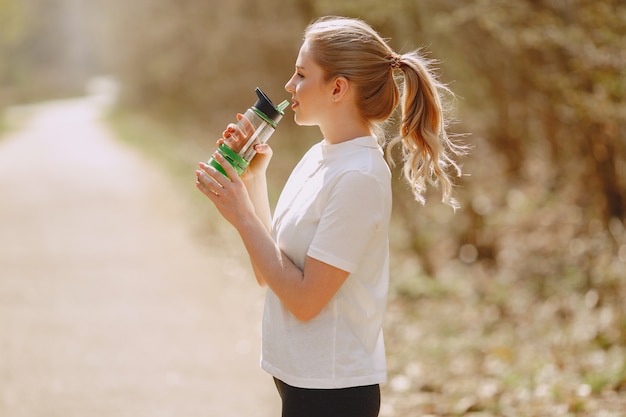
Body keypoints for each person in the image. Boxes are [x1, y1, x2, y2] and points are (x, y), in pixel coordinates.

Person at [195, 15, 465, 417]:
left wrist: (241, 217)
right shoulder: (320, 156)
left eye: (301, 74)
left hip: (334, 392)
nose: (289, 86)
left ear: (338, 87)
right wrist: (253, 180)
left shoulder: (360, 176)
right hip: (299, 381)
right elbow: (269, 272)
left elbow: (305, 300)